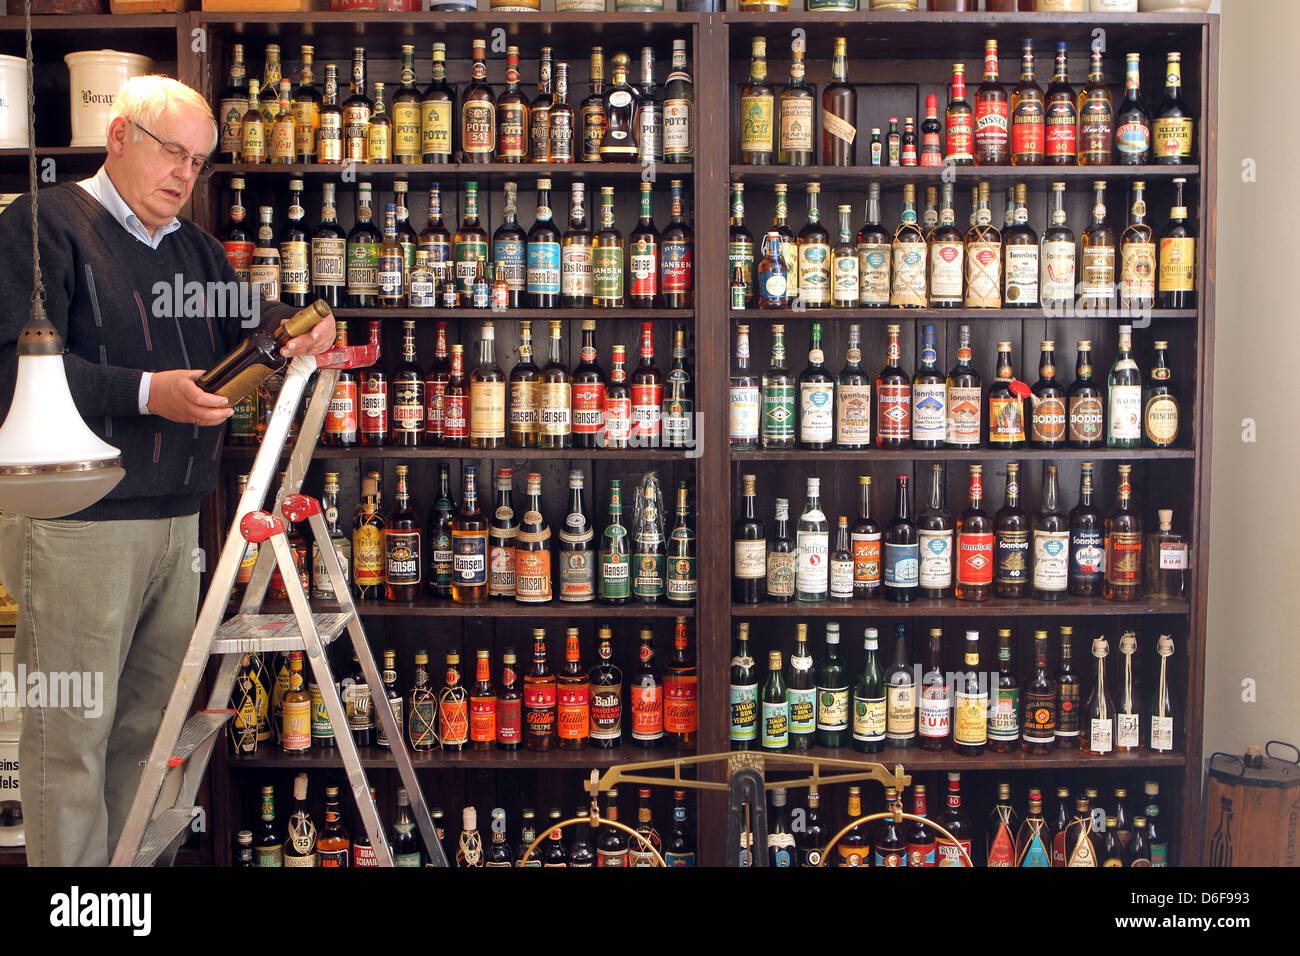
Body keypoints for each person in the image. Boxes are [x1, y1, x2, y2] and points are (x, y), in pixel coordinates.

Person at [0, 76, 334, 866]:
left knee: (150, 738)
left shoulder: (192, 247)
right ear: (119, 137)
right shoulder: (43, 225)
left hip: (179, 520)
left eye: (201, 161)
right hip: (76, 522)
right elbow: (12, 368)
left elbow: (248, 327)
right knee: (70, 740)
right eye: (174, 153)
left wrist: (302, 333)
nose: (186, 174)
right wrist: (149, 394)